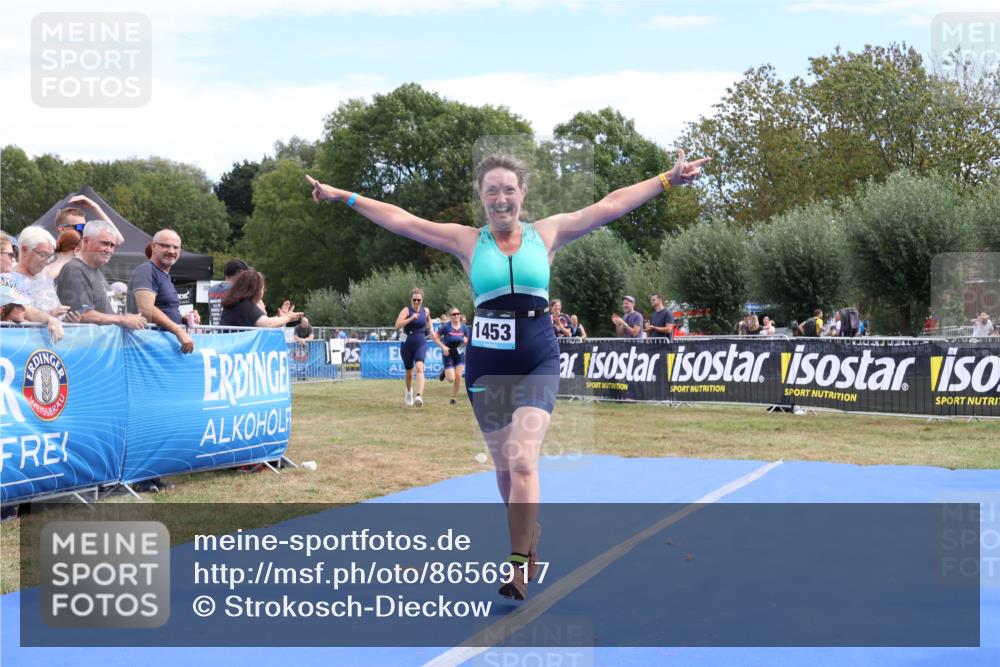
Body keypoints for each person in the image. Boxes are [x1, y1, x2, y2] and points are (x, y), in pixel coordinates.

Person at [307, 147, 708, 600]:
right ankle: (526, 534)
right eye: (492, 191)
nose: (501, 199)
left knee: (522, 460)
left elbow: (610, 205)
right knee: (504, 470)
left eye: (509, 190)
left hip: (537, 359)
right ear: (481, 197)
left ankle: (518, 564)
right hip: (488, 365)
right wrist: (343, 196)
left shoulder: (547, 233)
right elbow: (402, 220)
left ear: (523, 193)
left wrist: (667, 179)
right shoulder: (466, 241)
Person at [55, 220, 147, 329]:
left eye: (112, 245)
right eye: (104, 243)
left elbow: (104, 312)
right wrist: (123, 319)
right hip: (89, 339)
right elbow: (82, 314)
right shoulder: (74, 269)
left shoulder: (94, 269)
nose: (109, 250)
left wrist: (128, 318)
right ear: (86, 241)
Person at [127, 229, 200, 354]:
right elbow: (146, 309)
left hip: (161, 348)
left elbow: (163, 309)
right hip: (147, 349)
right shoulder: (146, 271)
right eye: (165, 246)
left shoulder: (164, 275)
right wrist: (178, 330)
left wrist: (183, 319)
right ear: (153, 247)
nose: (171, 251)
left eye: (175, 247)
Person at [11, 226, 77, 321]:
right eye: (43, 255)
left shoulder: (45, 278)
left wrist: (68, 320)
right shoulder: (8, 280)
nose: (48, 261)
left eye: (50, 256)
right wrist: (48, 317)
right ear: (24, 250)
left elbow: (57, 313)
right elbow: (13, 320)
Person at [220, 270, 303, 328]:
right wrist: (288, 317)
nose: (264, 291)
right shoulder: (245, 306)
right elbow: (268, 323)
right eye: (262, 288)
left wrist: (280, 317)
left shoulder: (237, 303)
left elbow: (262, 321)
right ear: (255, 290)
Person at [395, 287, 432, 407]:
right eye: (414, 300)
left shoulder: (426, 310)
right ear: (411, 300)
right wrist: (411, 318)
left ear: (422, 300)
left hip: (421, 343)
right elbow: (397, 326)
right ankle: (408, 392)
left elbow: (429, 322)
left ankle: (419, 396)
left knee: (420, 368)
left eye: (418, 300)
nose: (416, 302)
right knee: (409, 373)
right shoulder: (406, 310)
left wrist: (431, 331)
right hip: (407, 344)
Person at [0, 275, 65, 343]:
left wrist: (51, 319)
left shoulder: (5, 284)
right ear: (2, 310)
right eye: (19, 305)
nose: (24, 309)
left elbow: (33, 312)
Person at [434, 307, 470, 405]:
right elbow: (435, 337)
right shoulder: (446, 327)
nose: (456, 315)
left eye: (458, 313)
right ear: (450, 316)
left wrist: (466, 343)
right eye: (454, 314)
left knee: (458, 376)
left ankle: (453, 398)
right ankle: (445, 372)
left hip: (459, 354)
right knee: (451, 379)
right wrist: (443, 347)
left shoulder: (464, 327)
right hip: (448, 353)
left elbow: (467, 341)